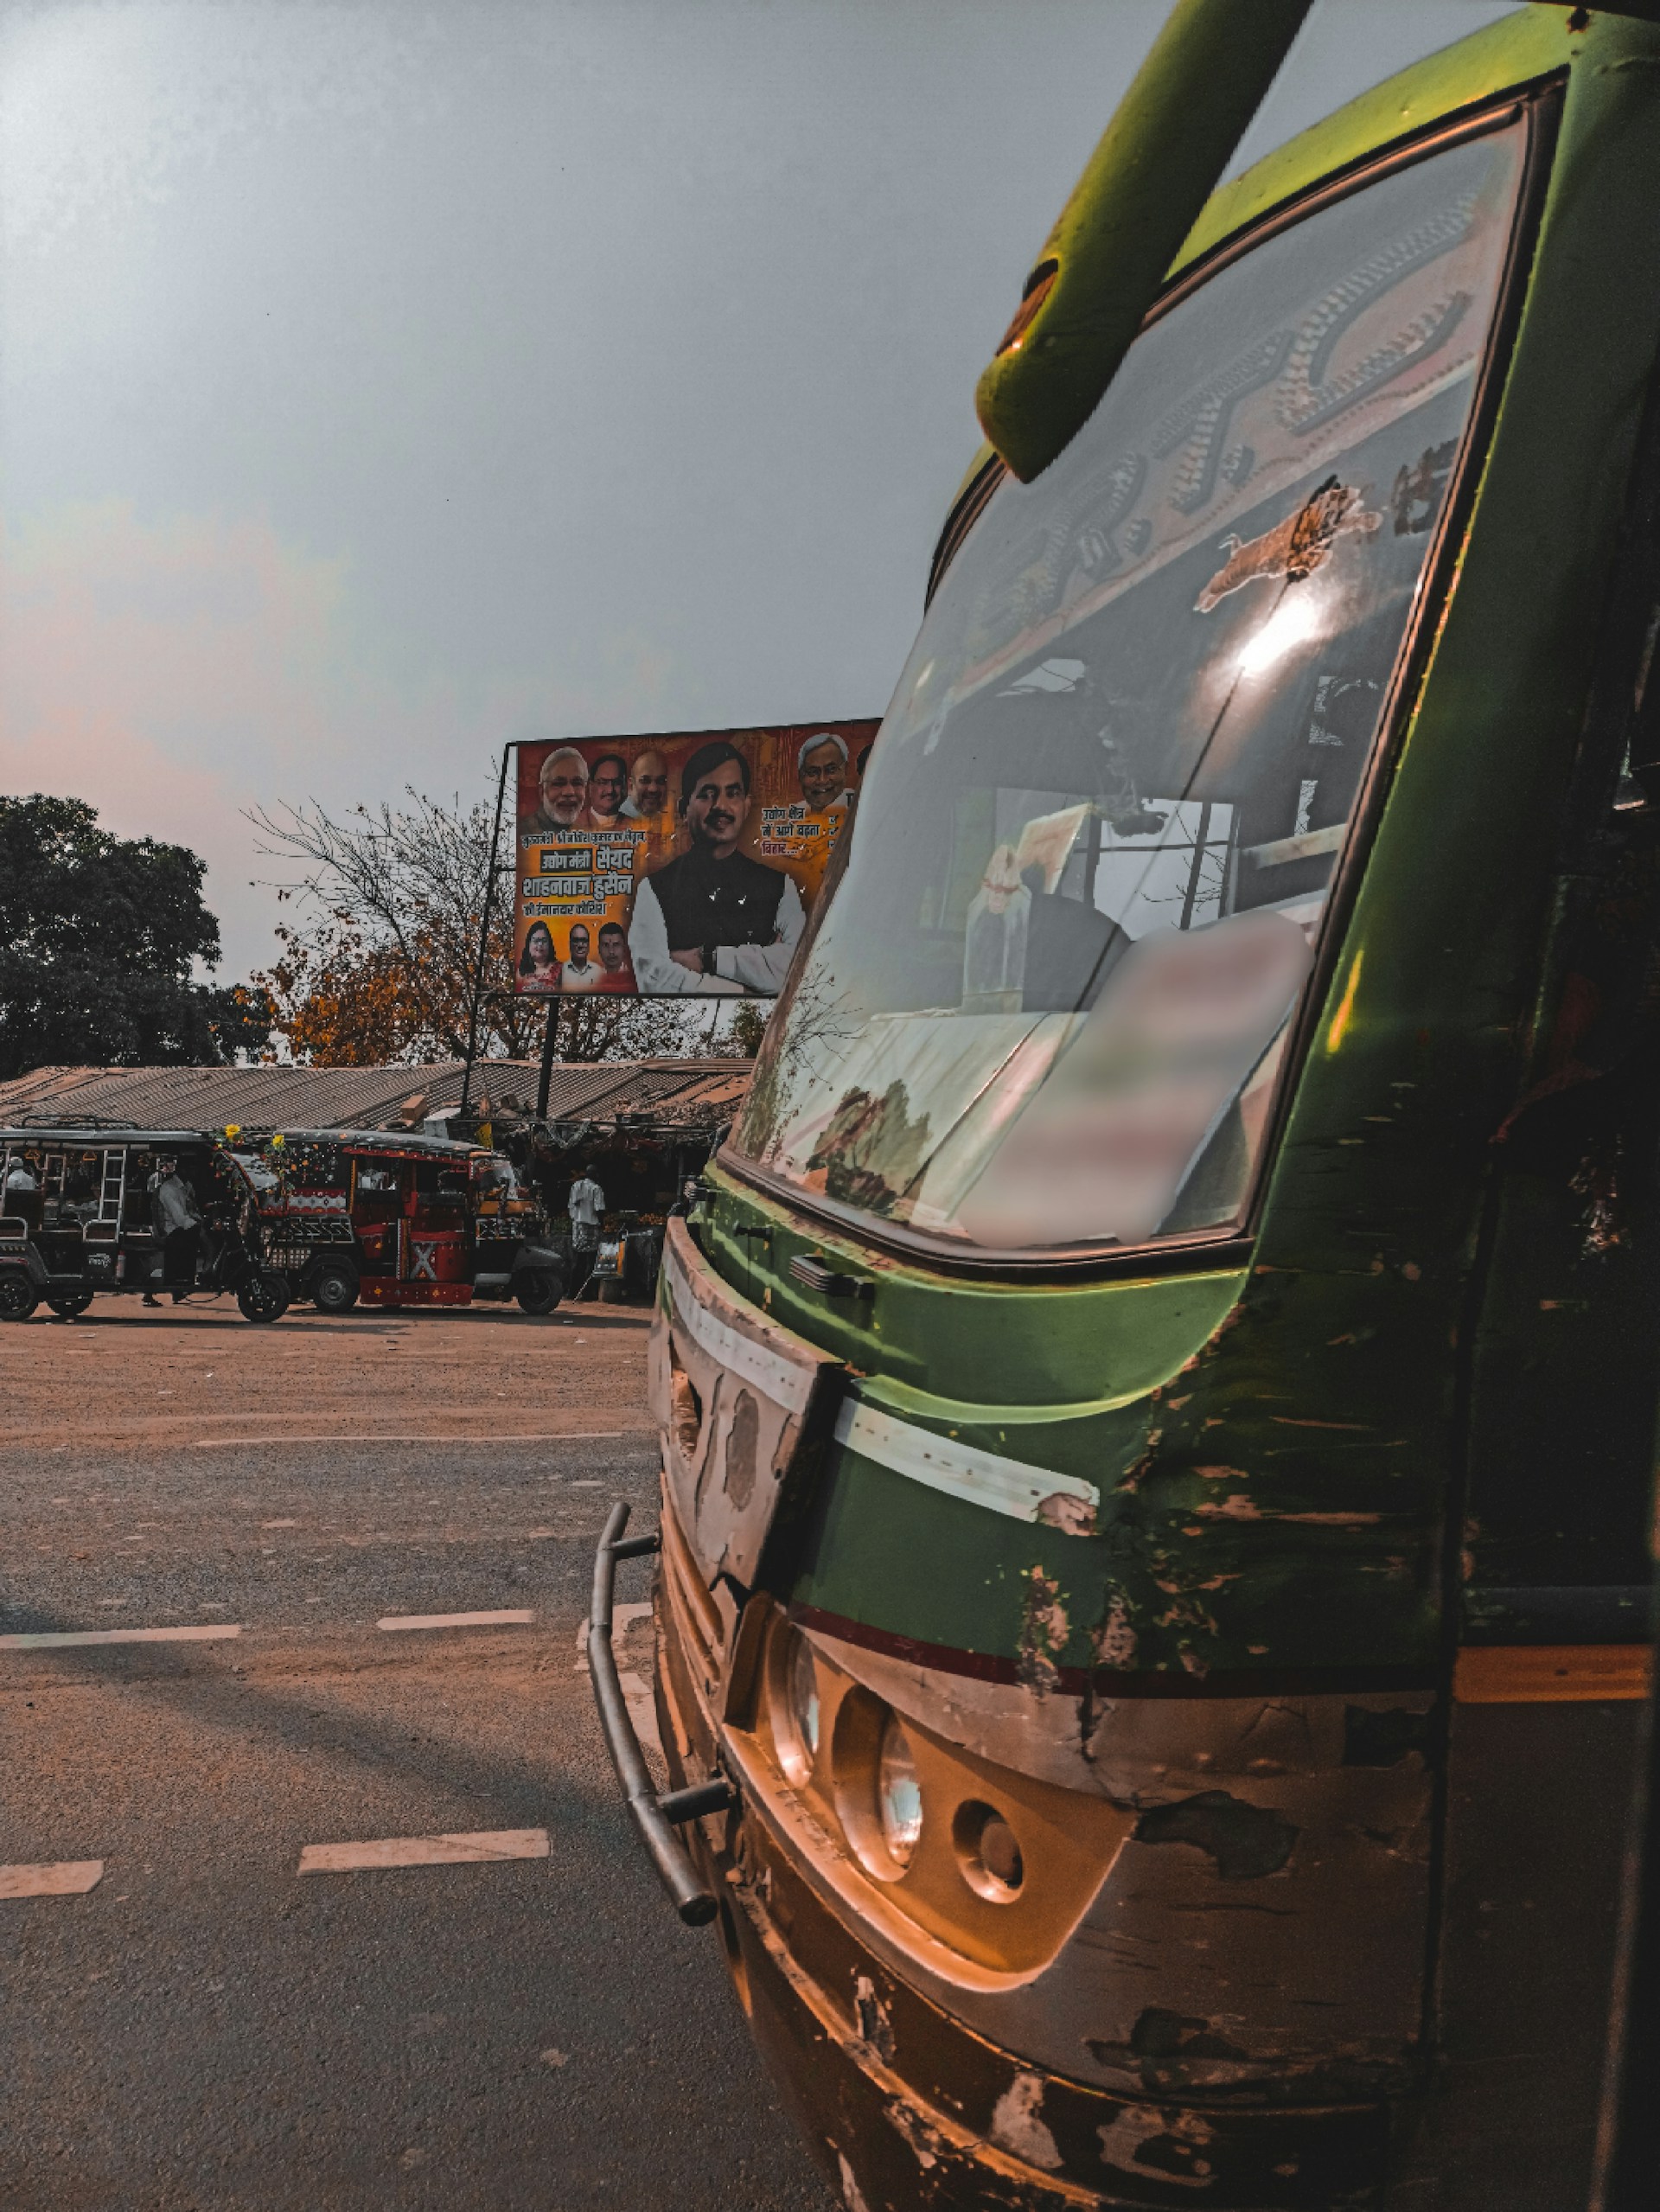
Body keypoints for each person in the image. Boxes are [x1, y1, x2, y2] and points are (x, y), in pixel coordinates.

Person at [627, 740, 804, 995]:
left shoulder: (779, 886)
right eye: (707, 794)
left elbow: (799, 970)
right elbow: (654, 978)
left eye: (733, 793)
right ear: (683, 809)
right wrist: (750, 987)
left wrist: (707, 959)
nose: (720, 805)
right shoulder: (655, 889)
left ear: (746, 805)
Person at [148, 1156, 202, 1304]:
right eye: (191, 1168)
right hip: (170, 1229)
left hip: (181, 1225)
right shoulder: (169, 1189)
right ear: (183, 1170)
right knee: (201, 1238)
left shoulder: (187, 1186)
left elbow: (192, 1209)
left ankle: (183, 1284)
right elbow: (180, 1218)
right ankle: (191, 1277)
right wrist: (198, 1226)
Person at [526, 746, 590, 834]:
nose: (569, 792)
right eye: (559, 783)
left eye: (577, 783)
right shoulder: (521, 834)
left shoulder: (593, 833)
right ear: (542, 792)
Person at [566, 1167, 606, 1290]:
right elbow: (599, 1208)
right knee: (590, 1259)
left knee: (578, 1258)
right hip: (590, 1225)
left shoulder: (576, 1186)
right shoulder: (596, 1189)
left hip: (577, 1225)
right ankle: (588, 1291)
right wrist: (602, 1223)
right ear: (595, 1175)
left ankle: (572, 1290)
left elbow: (571, 1205)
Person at [796, 731, 852, 812]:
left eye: (831, 770)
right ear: (800, 776)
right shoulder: (793, 813)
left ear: (846, 769)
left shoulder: (859, 805)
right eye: (813, 772)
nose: (822, 780)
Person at [619, 749, 670, 823]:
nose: (653, 789)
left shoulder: (663, 819)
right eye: (645, 781)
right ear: (630, 786)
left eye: (660, 781)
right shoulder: (620, 824)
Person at [579, 754, 627, 830]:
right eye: (603, 782)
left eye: (617, 782)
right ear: (591, 788)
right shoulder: (571, 827)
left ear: (624, 787)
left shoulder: (639, 827)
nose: (610, 790)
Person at [592, 920, 636, 994]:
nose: (611, 951)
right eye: (606, 945)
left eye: (616, 945)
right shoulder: (592, 979)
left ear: (624, 948)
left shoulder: (635, 978)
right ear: (599, 949)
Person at [517, 921, 560, 993]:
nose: (540, 944)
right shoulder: (521, 972)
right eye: (536, 941)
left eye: (544, 940)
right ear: (529, 944)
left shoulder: (560, 970)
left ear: (550, 944)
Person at [559, 924, 601, 991]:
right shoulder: (560, 971)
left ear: (588, 945)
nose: (580, 945)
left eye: (584, 941)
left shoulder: (599, 972)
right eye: (576, 940)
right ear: (569, 944)